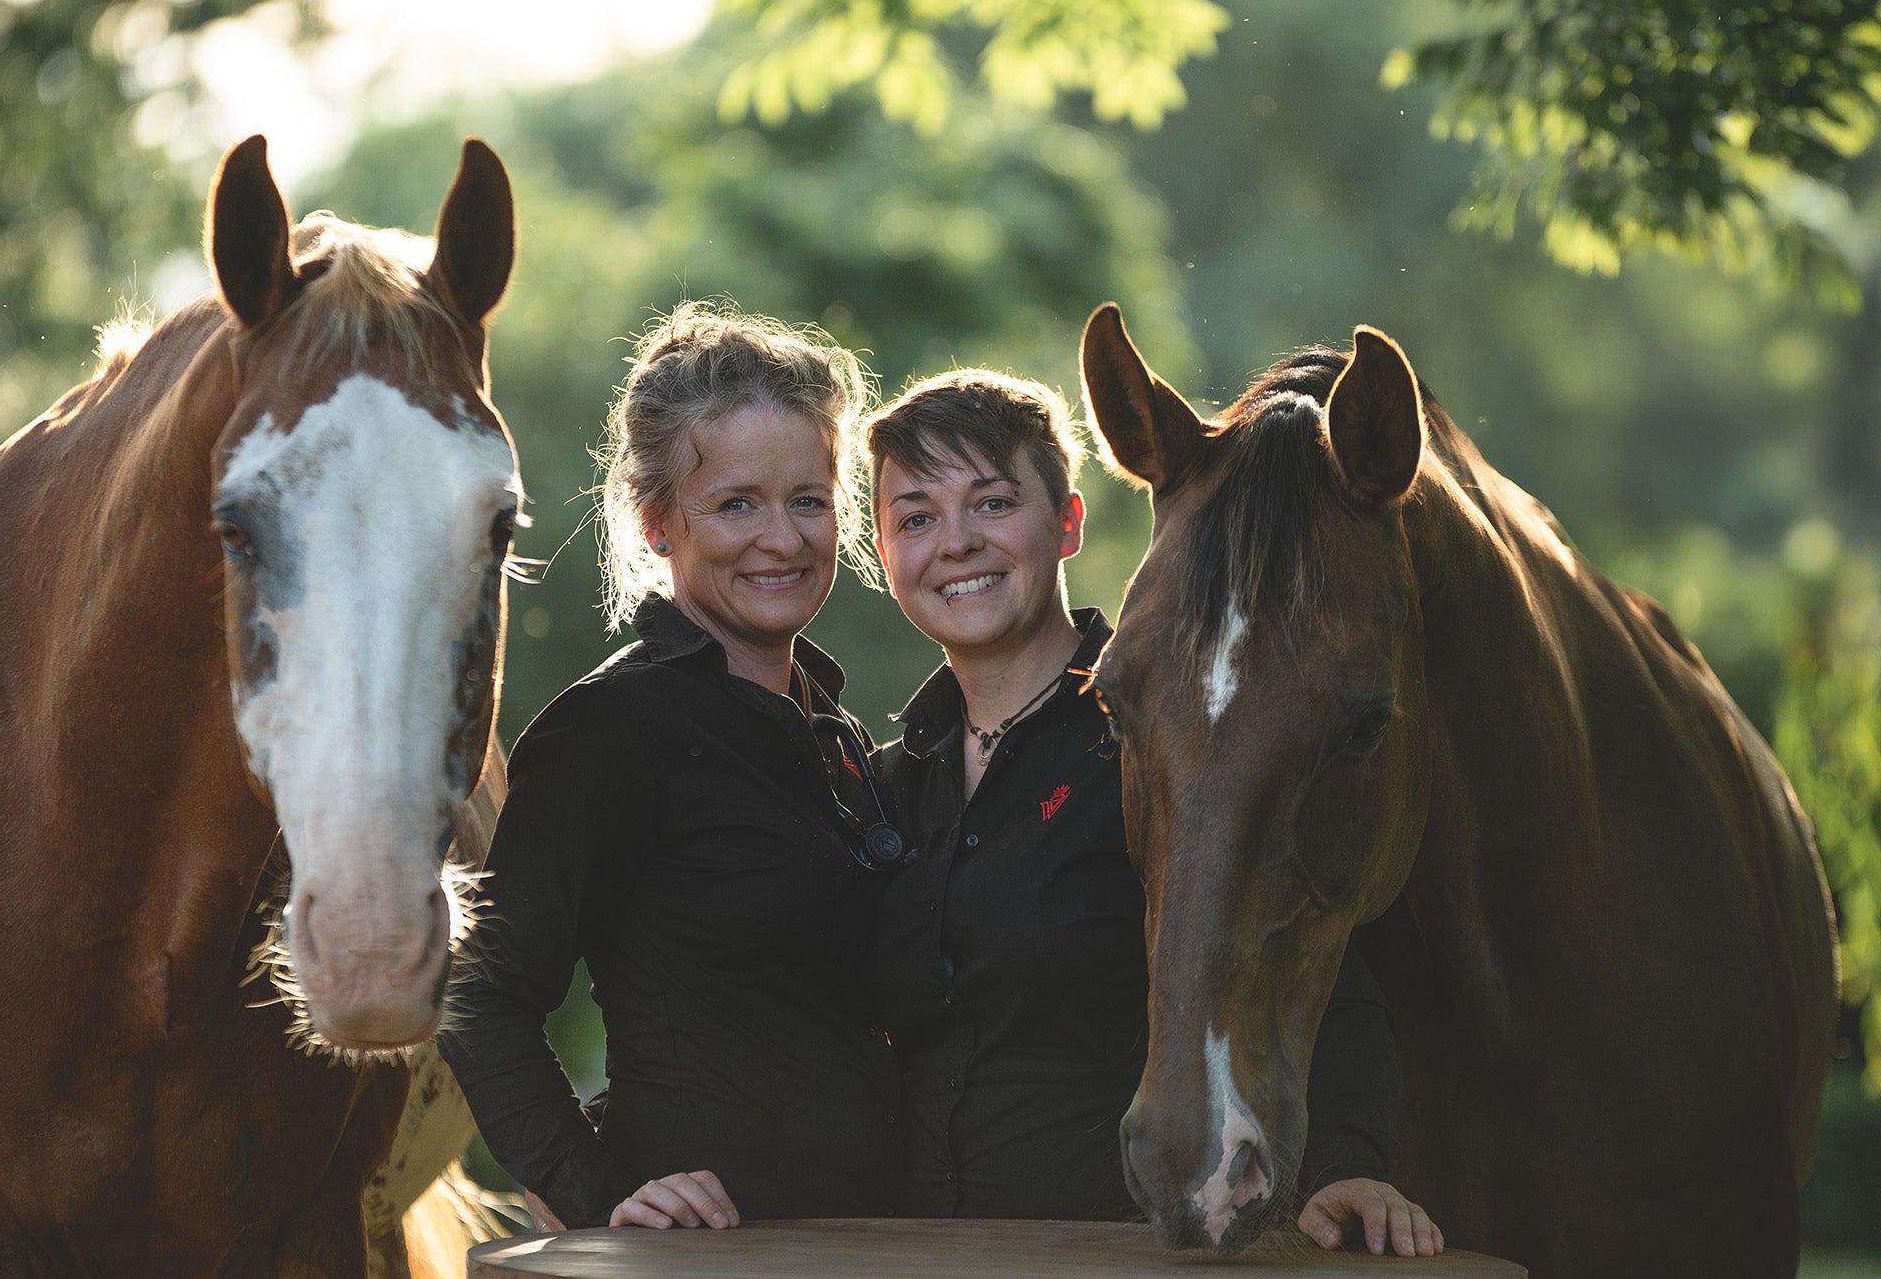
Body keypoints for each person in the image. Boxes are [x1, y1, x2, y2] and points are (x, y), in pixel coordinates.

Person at [862, 368, 1446, 1257]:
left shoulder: (1171, 749)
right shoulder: (887, 782)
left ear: (1067, 523)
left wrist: (1345, 1162)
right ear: (883, 550)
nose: (956, 542)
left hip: (1113, 1246)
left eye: (991, 502)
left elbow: (1328, 963)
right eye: (915, 517)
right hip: (895, 1254)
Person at [440, 303, 900, 1231]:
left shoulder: (828, 727)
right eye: (736, 503)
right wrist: (601, 1198)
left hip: (880, 1239)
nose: (782, 538)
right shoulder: (609, 730)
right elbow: (478, 997)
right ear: (657, 524)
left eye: (808, 499)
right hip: (710, 1256)